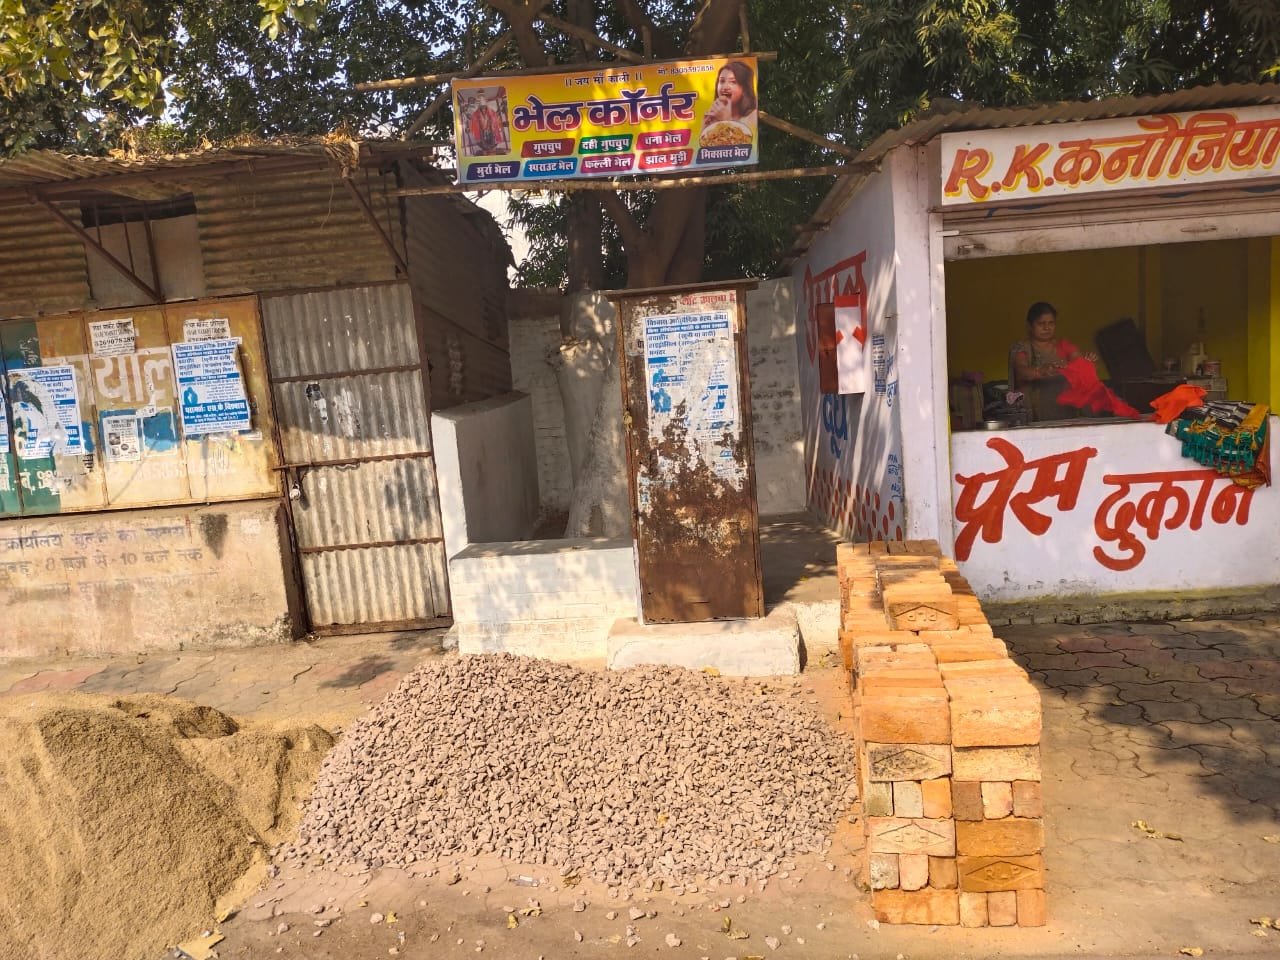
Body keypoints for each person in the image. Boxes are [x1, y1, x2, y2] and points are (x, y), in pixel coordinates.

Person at [701, 60, 758, 128]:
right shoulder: (715, 118)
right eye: (722, 81)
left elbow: (746, 134)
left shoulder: (752, 116)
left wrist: (727, 120)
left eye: (733, 82)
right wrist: (705, 129)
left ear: (745, 88)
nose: (725, 87)